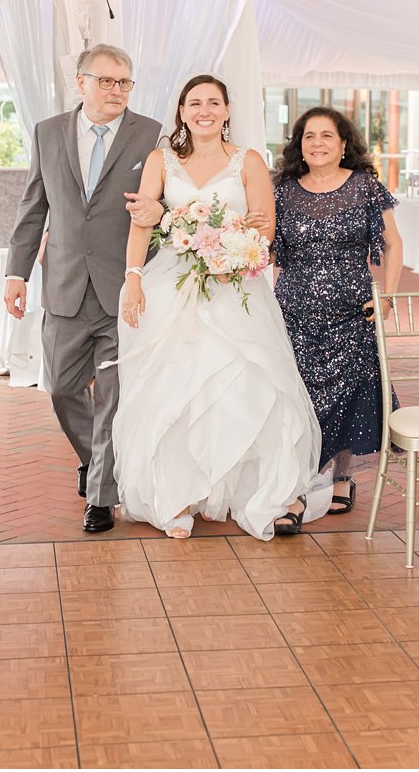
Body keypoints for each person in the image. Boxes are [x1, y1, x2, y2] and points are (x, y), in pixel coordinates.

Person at [112, 75, 321, 539]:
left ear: (227, 111)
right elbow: (143, 223)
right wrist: (132, 279)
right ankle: (178, 492)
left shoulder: (248, 161)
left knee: (238, 387)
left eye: (213, 102)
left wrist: (236, 258)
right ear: (182, 112)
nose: (204, 110)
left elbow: (265, 230)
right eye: (194, 103)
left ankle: (232, 488)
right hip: (172, 284)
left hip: (235, 287)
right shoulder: (159, 160)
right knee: (176, 388)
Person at [5, 45, 165, 534]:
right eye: (106, 81)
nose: (116, 91)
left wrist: (158, 214)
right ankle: (93, 458)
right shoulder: (48, 132)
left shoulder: (152, 135)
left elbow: (171, 201)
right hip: (66, 285)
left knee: (114, 394)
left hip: (126, 286)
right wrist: (17, 272)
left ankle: (101, 496)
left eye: (124, 83)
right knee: (62, 389)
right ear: (81, 82)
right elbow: (35, 206)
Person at [271, 107, 403, 514]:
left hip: (353, 311)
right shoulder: (283, 189)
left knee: (348, 396)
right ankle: (297, 480)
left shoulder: (365, 187)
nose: (317, 143)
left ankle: (342, 477)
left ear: (344, 144)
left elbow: (393, 245)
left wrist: (387, 297)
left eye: (327, 136)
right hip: (294, 311)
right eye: (309, 136)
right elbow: (272, 251)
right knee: (300, 397)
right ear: (299, 145)